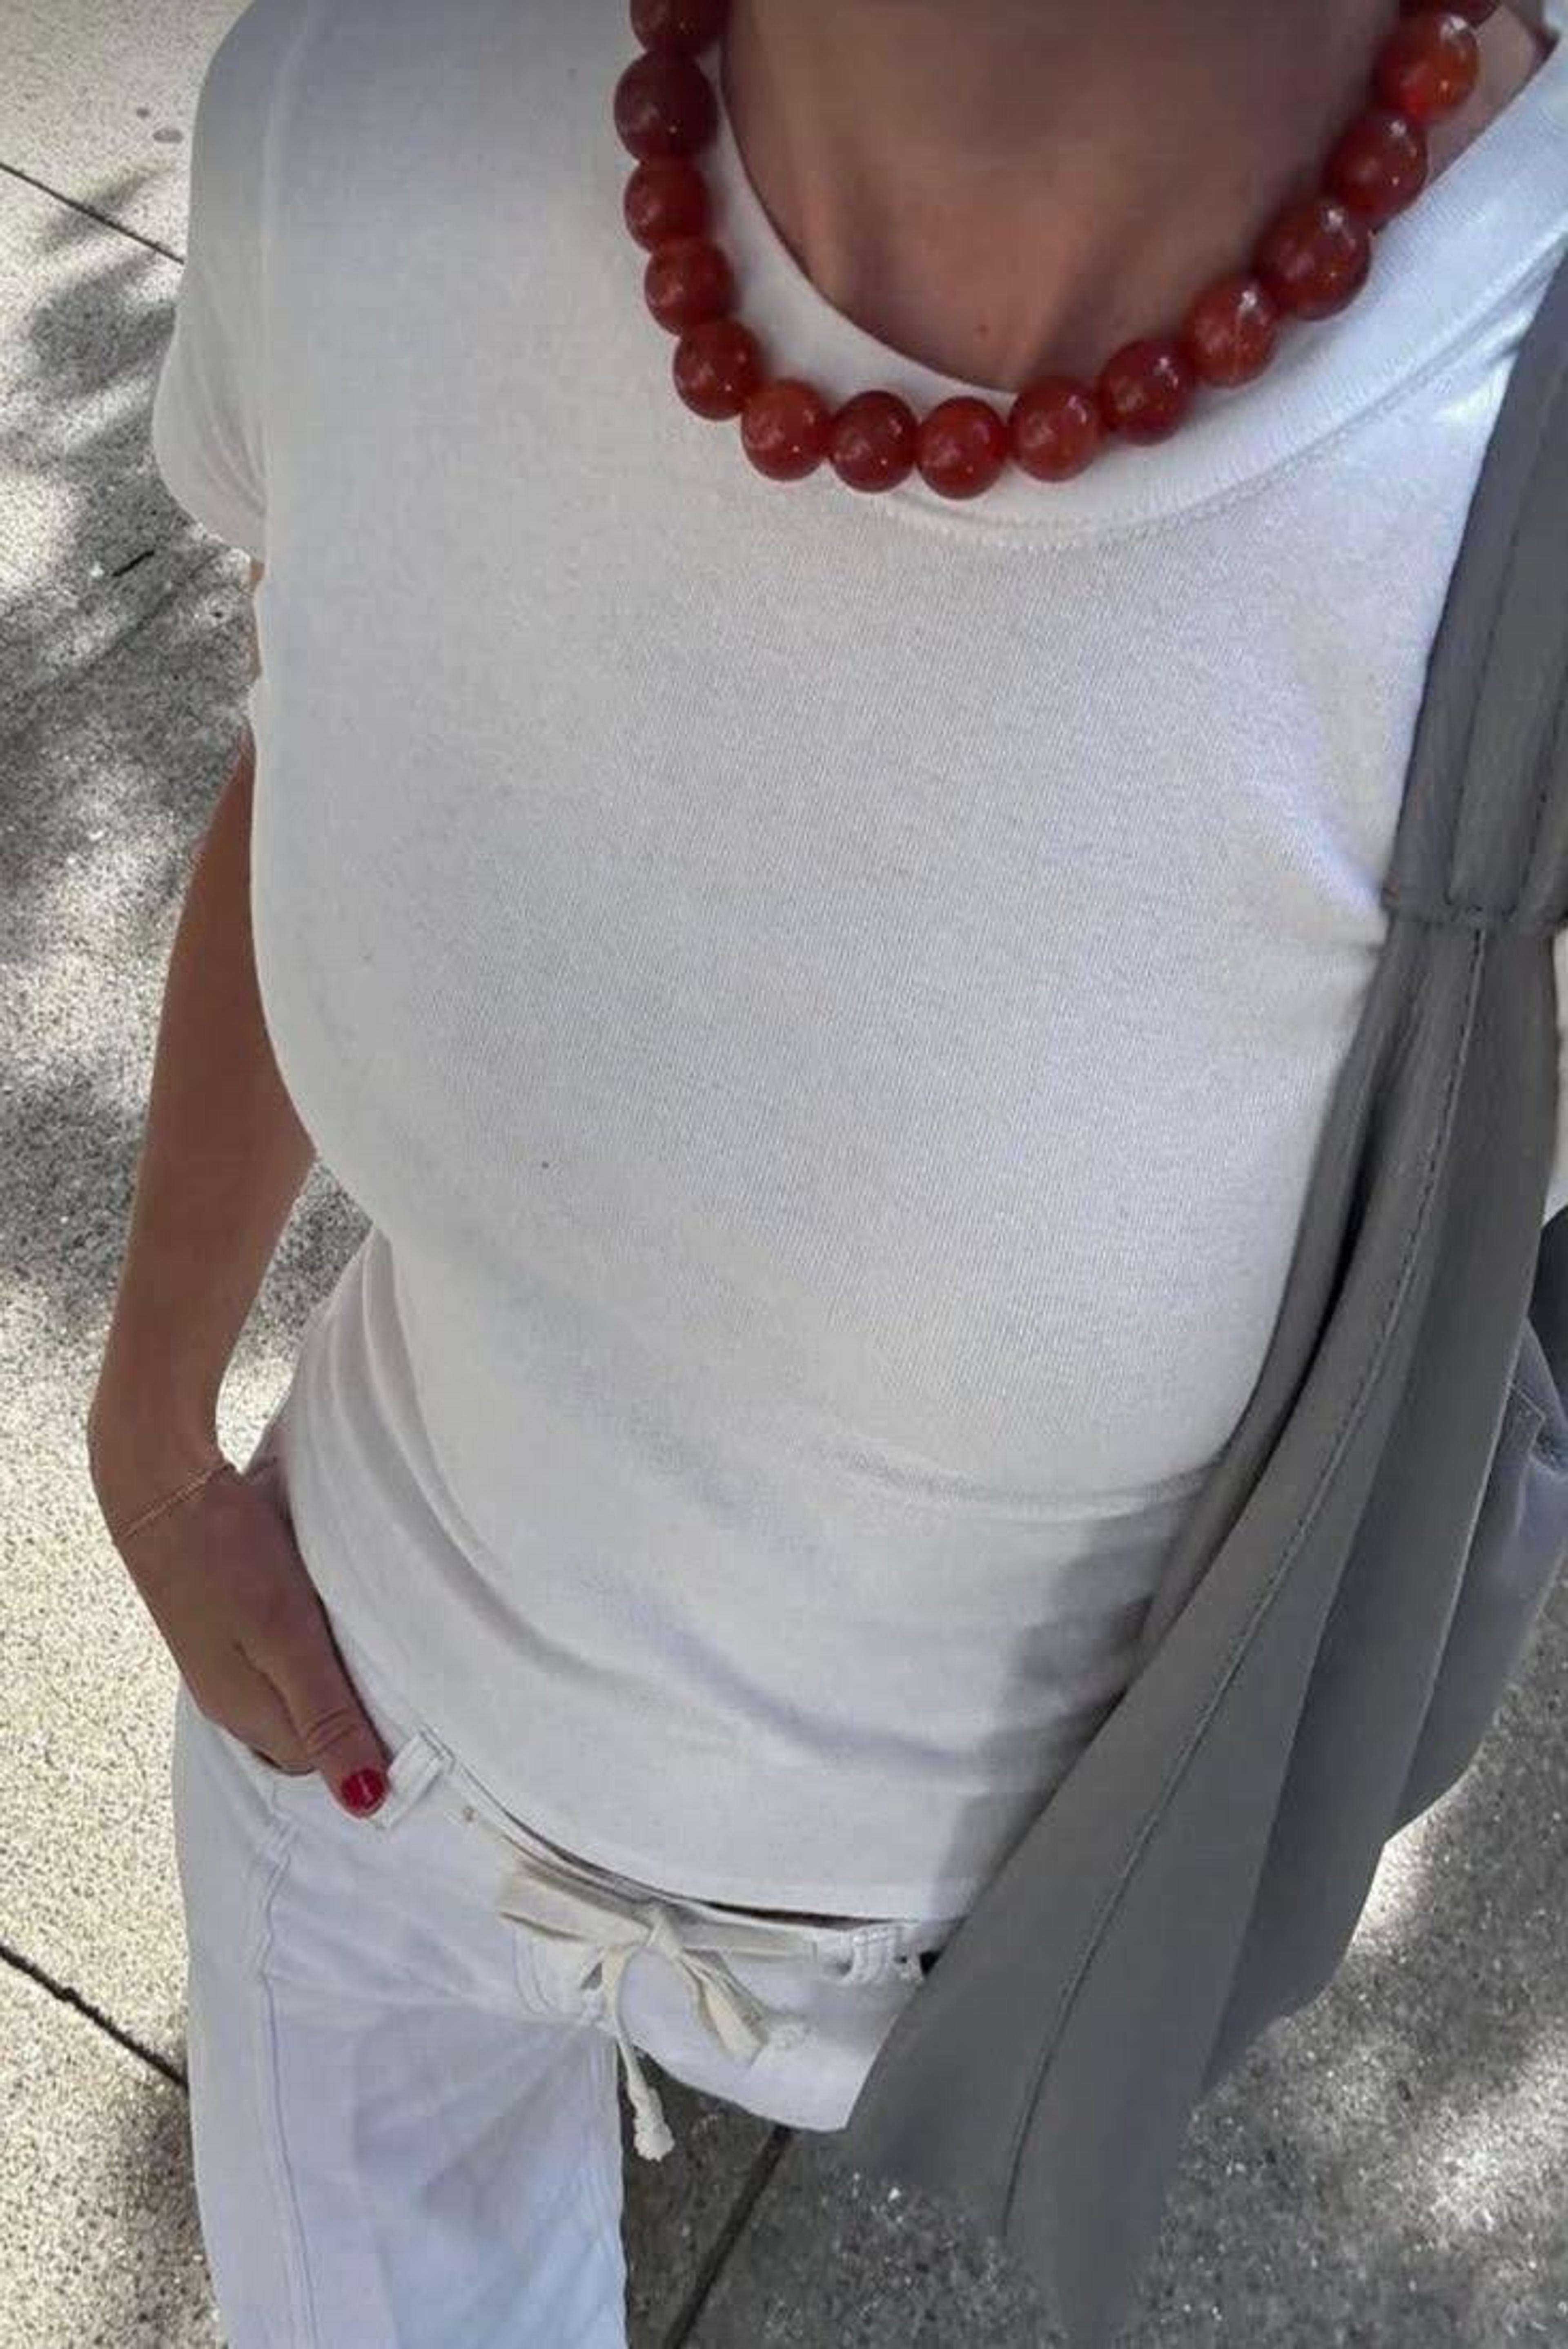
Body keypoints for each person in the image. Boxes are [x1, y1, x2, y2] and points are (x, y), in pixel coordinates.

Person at [86, 1, 1568, 2341]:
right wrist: (149, 1433)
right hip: (347, 1764)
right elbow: (310, 756)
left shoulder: (1511, 411)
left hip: (987, 1948)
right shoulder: (363, 115)